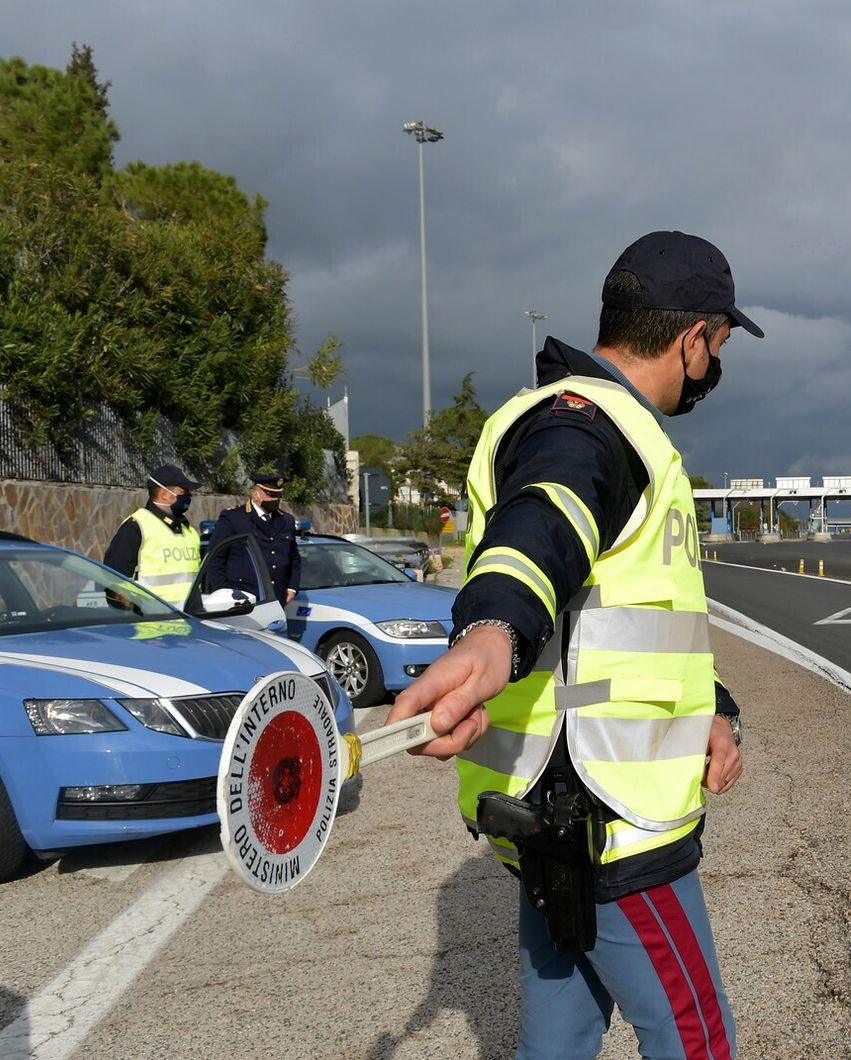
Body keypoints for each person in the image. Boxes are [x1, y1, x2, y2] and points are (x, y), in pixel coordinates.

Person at [388, 230, 760, 1058]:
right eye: (721, 344)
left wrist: (714, 707)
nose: (715, 365)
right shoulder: (591, 424)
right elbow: (544, 521)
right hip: (612, 816)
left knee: (559, 1037)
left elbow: (634, 621)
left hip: (544, 808)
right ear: (694, 337)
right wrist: (492, 631)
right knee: (696, 1040)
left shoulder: (569, 414)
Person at [102, 464, 202, 607]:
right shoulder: (136, 526)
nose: (189, 496)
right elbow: (114, 580)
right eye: (183, 491)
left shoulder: (189, 531)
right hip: (152, 624)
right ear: (164, 494)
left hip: (192, 619)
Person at [206, 472, 301, 604]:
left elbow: (294, 558)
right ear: (256, 495)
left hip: (276, 597)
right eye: (271, 495)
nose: (275, 500)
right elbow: (214, 559)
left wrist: (292, 588)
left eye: (278, 496)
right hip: (242, 597)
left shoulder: (286, 520)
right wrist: (225, 593)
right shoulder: (234, 518)